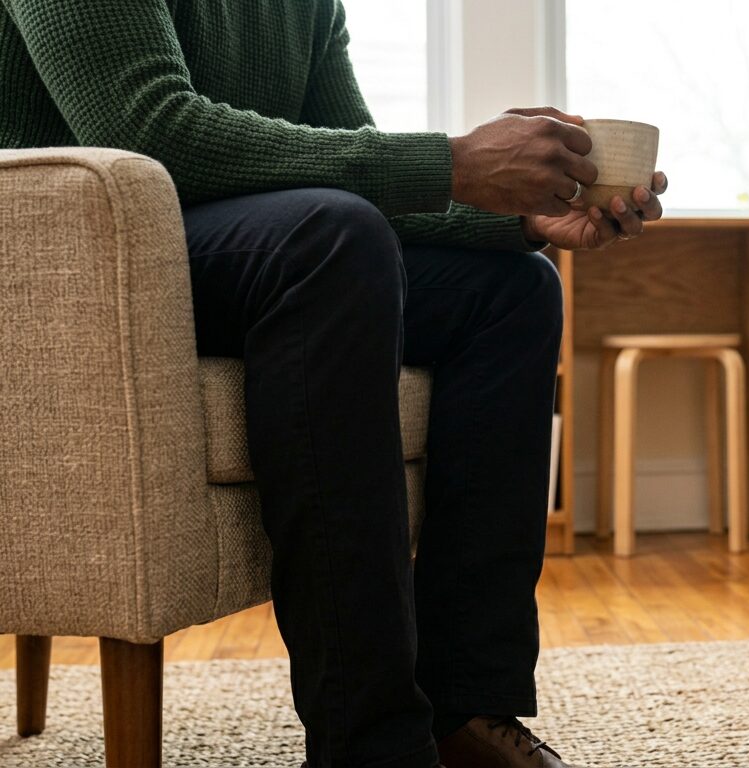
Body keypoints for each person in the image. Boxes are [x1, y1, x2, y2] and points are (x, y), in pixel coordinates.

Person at [1, 1, 666, 766]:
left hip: (253, 255)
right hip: (78, 259)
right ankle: (370, 747)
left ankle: (466, 712)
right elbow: (151, 130)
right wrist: (453, 161)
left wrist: (520, 224)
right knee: (330, 238)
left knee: (511, 290)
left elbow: (361, 173)